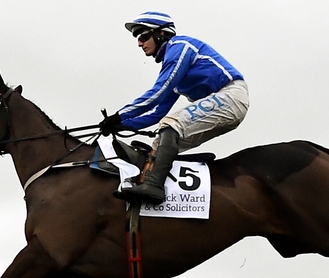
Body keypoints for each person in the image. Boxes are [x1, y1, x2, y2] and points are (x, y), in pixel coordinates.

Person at [99, 11, 249, 204]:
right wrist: (124, 125)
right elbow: (156, 113)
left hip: (230, 95)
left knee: (171, 124)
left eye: (143, 36)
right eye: (138, 38)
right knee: (158, 143)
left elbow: (156, 94)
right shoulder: (173, 66)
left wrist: (118, 116)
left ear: (161, 34)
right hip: (222, 103)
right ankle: (167, 198)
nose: (139, 43)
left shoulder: (180, 47)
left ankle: (153, 187)